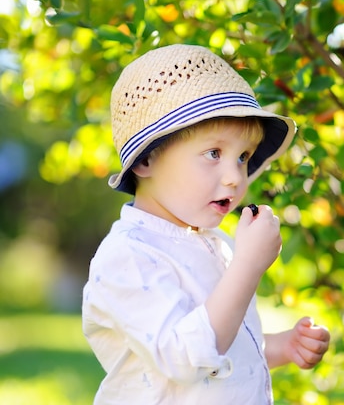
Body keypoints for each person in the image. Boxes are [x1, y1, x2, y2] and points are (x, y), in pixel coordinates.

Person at [82, 44, 330, 404]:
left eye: (243, 157)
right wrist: (247, 266)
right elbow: (187, 357)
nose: (234, 177)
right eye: (214, 153)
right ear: (146, 160)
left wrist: (281, 346)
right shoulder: (129, 256)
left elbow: (226, 345)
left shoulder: (213, 243)